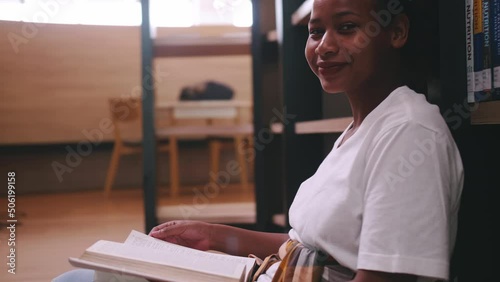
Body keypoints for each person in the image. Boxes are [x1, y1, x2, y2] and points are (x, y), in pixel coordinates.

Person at [53, 0, 463, 281]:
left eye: (348, 27)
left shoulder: (408, 133)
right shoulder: (361, 129)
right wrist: (214, 236)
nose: (324, 46)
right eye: (316, 31)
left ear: (397, 32)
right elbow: (308, 243)